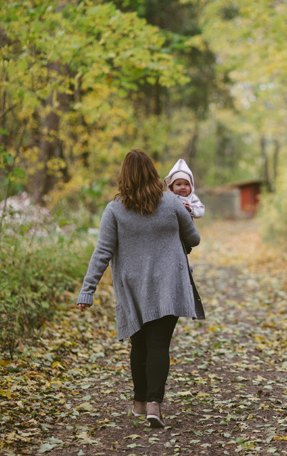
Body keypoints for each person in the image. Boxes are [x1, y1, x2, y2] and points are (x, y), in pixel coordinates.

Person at [76, 149, 203, 428]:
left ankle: (139, 402)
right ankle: (154, 405)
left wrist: (87, 290)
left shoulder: (114, 210)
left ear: (125, 177)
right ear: (153, 173)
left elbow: (102, 252)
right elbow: (193, 239)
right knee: (159, 344)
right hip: (169, 286)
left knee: (140, 345)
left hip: (133, 289)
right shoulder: (172, 203)